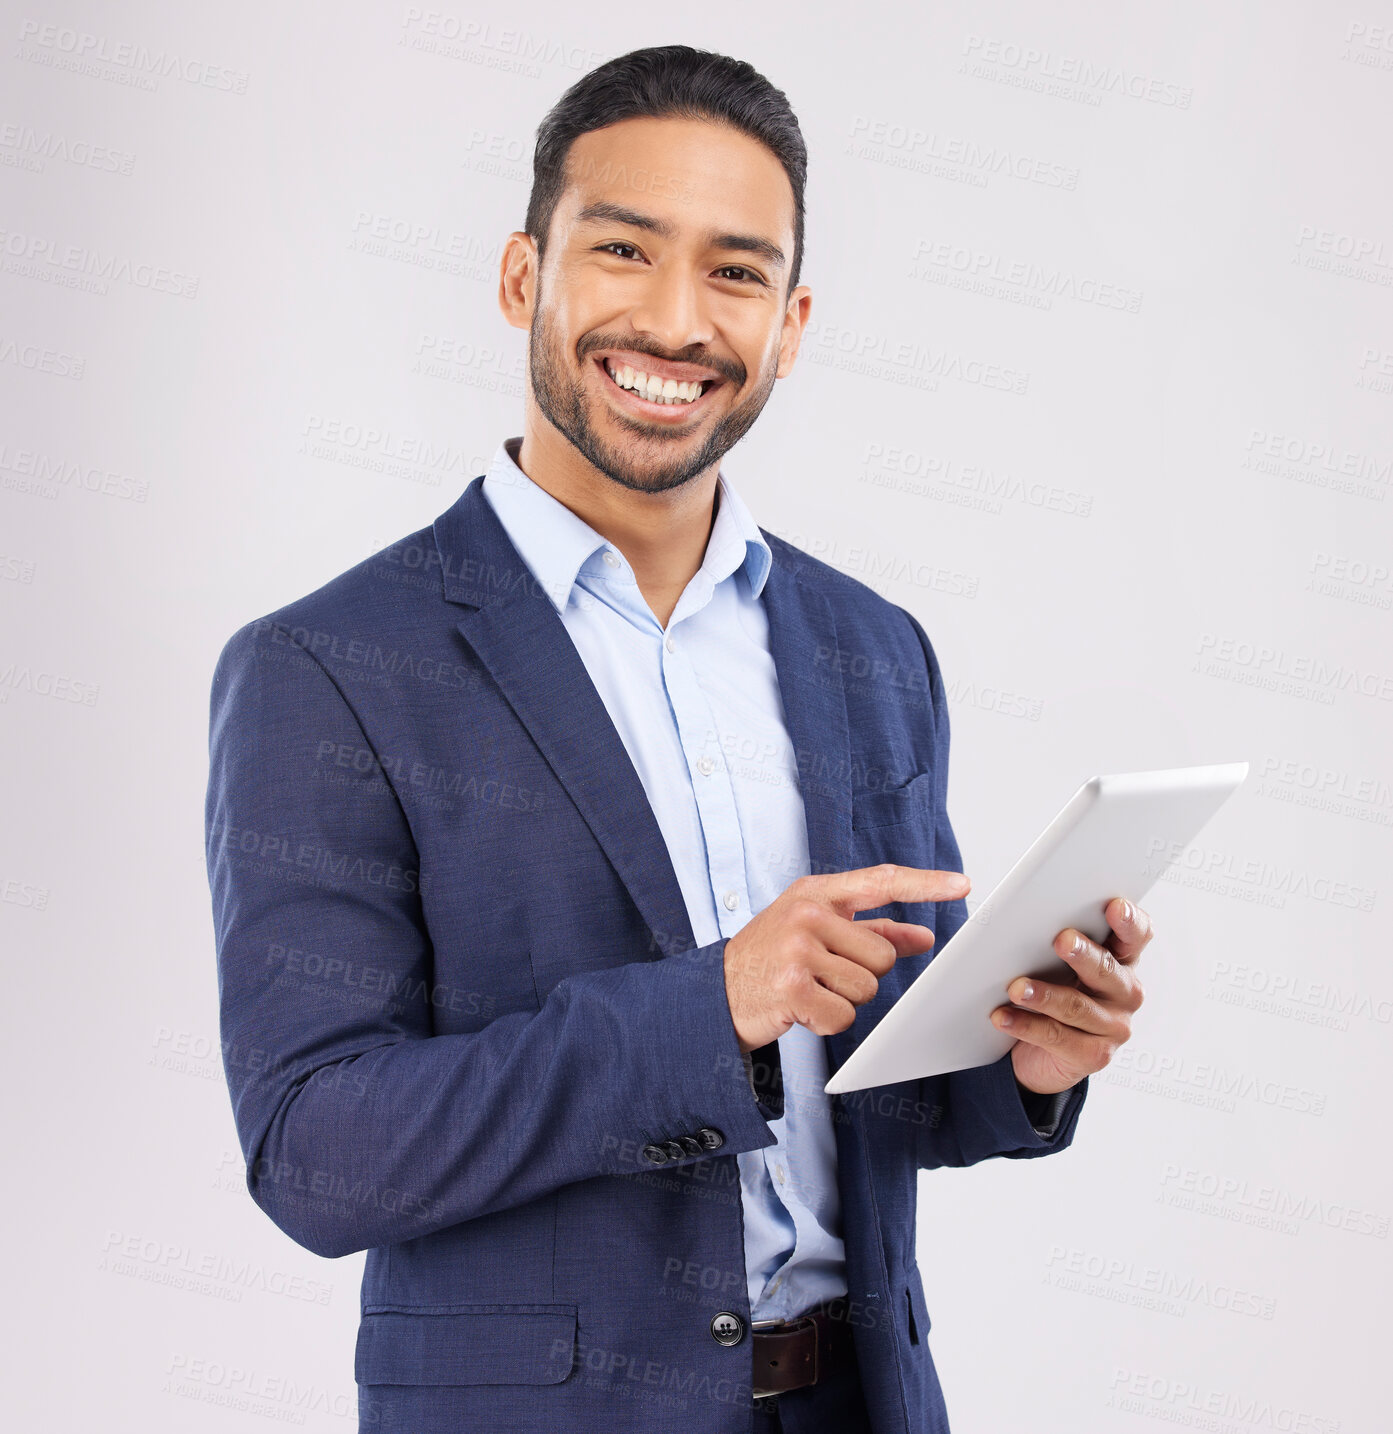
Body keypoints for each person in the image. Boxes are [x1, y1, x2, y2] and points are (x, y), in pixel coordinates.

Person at [204, 44, 1150, 1434]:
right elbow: (316, 1154)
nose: (673, 319)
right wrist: (708, 1010)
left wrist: (1022, 1062)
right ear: (524, 275)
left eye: (732, 271)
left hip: (861, 1398)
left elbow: (878, 1094)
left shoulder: (867, 647)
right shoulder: (328, 668)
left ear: (791, 319)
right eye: (624, 250)